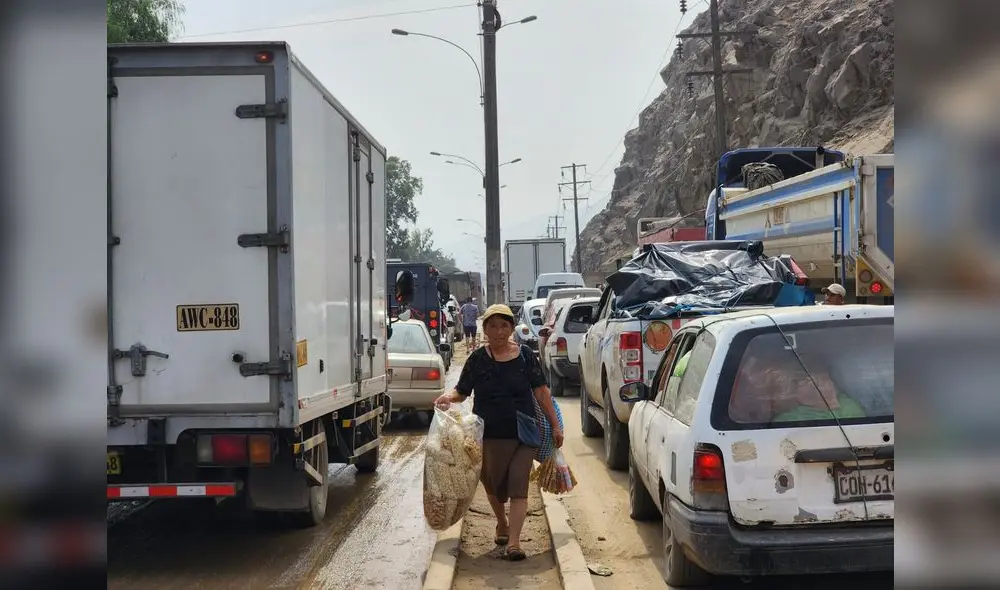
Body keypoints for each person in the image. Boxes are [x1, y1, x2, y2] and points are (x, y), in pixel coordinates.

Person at [434, 304, 563, 562]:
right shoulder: (477, 360)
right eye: (493, 326)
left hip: (523, 433)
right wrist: (448, 397)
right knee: (493, 484)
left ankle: (514, 543)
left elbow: (541, 392)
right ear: (485, 329)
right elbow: (463, 390)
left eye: (504, 325)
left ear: (512, 328)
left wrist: (555, 425)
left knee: (518, 484)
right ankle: (501, 522)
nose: (499, 331)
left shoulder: (526, 356)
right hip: (488, 434)